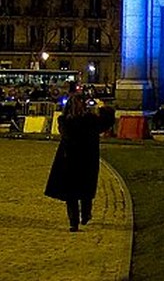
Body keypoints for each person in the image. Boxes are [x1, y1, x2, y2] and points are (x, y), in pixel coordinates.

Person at [44, 91, 116, 231]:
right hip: (86, 157)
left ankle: (74, 221)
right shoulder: (89, 120)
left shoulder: (65, 120)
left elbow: (66, 135)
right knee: (85, 188)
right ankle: (85, 214)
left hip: (70, 158)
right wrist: (103, 109)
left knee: (72, 192)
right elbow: (105, 123)